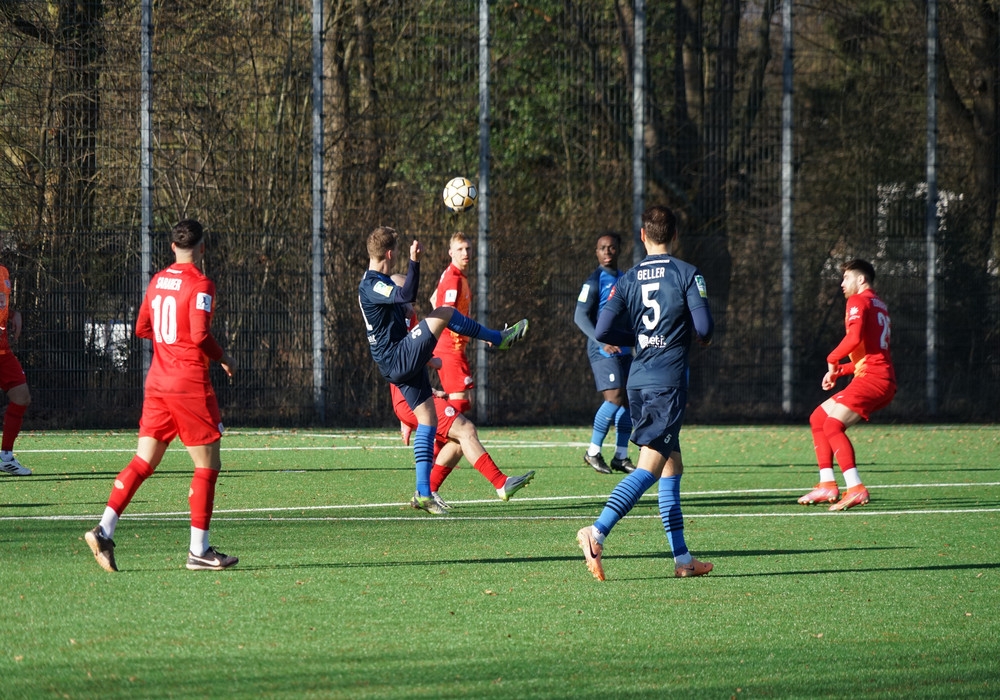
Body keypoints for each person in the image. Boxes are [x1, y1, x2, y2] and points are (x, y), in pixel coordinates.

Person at [84, 220, 238, 573]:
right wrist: (225, 357)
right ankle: (199, 551)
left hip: (157, 382)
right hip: (188, 384)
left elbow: (142, 327)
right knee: (207, 465)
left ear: (172, 247)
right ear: (202, 247)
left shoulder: (157, 281)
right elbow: (199, 335)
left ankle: (104, 529)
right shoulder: (201, 283)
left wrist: (169, 341)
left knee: (143, 462)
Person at [576, 205, 714, 581]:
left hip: (637, 381)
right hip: (666, 384)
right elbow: (704, 328)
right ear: (675, 235)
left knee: (672, 466)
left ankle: (683, 559)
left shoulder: (629, 278)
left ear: (642, 235)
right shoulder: (687, 273)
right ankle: (596, 532)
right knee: (649, 468)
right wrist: (689, 334)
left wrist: (639, 337)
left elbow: (603, 330)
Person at [358, 226, 528, 515]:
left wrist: (425, 353)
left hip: (400, 361)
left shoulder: (376, 282)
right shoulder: (372, 284)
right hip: (396, 358)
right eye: (397, 252)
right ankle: (498, 338)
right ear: (390, 254)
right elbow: (406, 292)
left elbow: (402, 301)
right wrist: (415, 261)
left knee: (428, 419)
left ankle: (425, 492)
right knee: (445, 313)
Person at [391, 273, 535, 510]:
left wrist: (428, 388)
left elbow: (409, 363)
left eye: (411, 297)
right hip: (410, 399)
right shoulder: (394, 321)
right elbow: (398, 365)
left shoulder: (409, 318)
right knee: (466, 429)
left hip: (412, 398)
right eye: (404, 296)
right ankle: (501, 483)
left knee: (459, 441)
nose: (410, 301)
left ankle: (427, 492)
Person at [798, 259, 896, 511]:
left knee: (833, 425)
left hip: (873, 378)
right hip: (876, 376)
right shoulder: (879, 304)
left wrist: (832, 359)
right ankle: (827, 484)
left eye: (846, 278)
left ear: (861, 279)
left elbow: (853, 338)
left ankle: (856, 488)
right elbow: (870, 355)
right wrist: (840, 371)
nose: (842, 284)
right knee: (819, 418)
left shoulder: (858, 301)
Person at [574, 232, 634, 475]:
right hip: (602, 349)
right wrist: (602, 340)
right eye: (602, 248)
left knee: (628, 400)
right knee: (614, 397)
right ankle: (593, 452)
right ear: (596, 252)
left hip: (624, 348)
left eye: (611, 247)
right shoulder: (593, 282)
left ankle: (621, 456)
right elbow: (580, 316)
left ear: (619, 249)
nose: (607, 252)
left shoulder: (625, 278)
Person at [430, 232, 475, 414]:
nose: (465, 253)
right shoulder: (453, 279)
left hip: (453, 346)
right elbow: (447, 313)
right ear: (451, 252)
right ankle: (432, 427)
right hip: (450, 347)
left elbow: (434, 299)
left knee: (465, 400)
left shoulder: (455, 275)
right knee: (460, 401)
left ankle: (435, 423)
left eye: (468, 248)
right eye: (460, 249)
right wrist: (480, 333)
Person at [0, 263, 31, 476]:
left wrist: (13, 314)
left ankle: (5, 457)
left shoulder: (3, 271)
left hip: (3, 350)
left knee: (21, 396)